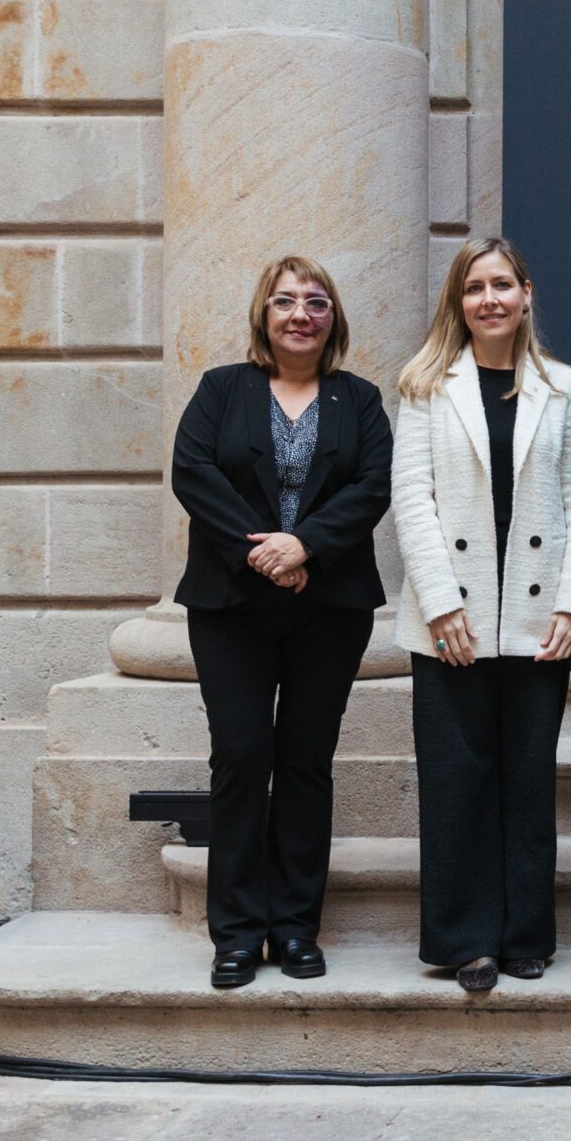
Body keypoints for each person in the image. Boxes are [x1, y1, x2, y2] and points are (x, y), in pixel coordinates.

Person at [170, 254, 393, 991]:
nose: (301, 314)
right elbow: (192, 472)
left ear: (333, 318)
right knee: (240, 756)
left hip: (329, 607)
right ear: (264, 315)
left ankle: (296, 927)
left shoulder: (359, 399)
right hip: (231, 606)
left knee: (304, 761)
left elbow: (374, 486)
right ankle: (236, 934)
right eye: (286, 301)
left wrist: (308, 548)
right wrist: (265, 553)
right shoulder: (221, 388)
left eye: (316, 302)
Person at [391, 237, 571, 994]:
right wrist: (441, 602)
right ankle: (465, 940)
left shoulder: (563, 386)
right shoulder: (425, 384)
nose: (490, 299)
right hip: (452, 617)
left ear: (526, 293)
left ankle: (524, 936)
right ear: (460, 301)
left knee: (527, 779)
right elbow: (411, 500)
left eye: (502, 284)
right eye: (475, 287)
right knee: (457, 780)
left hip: (539, 614)